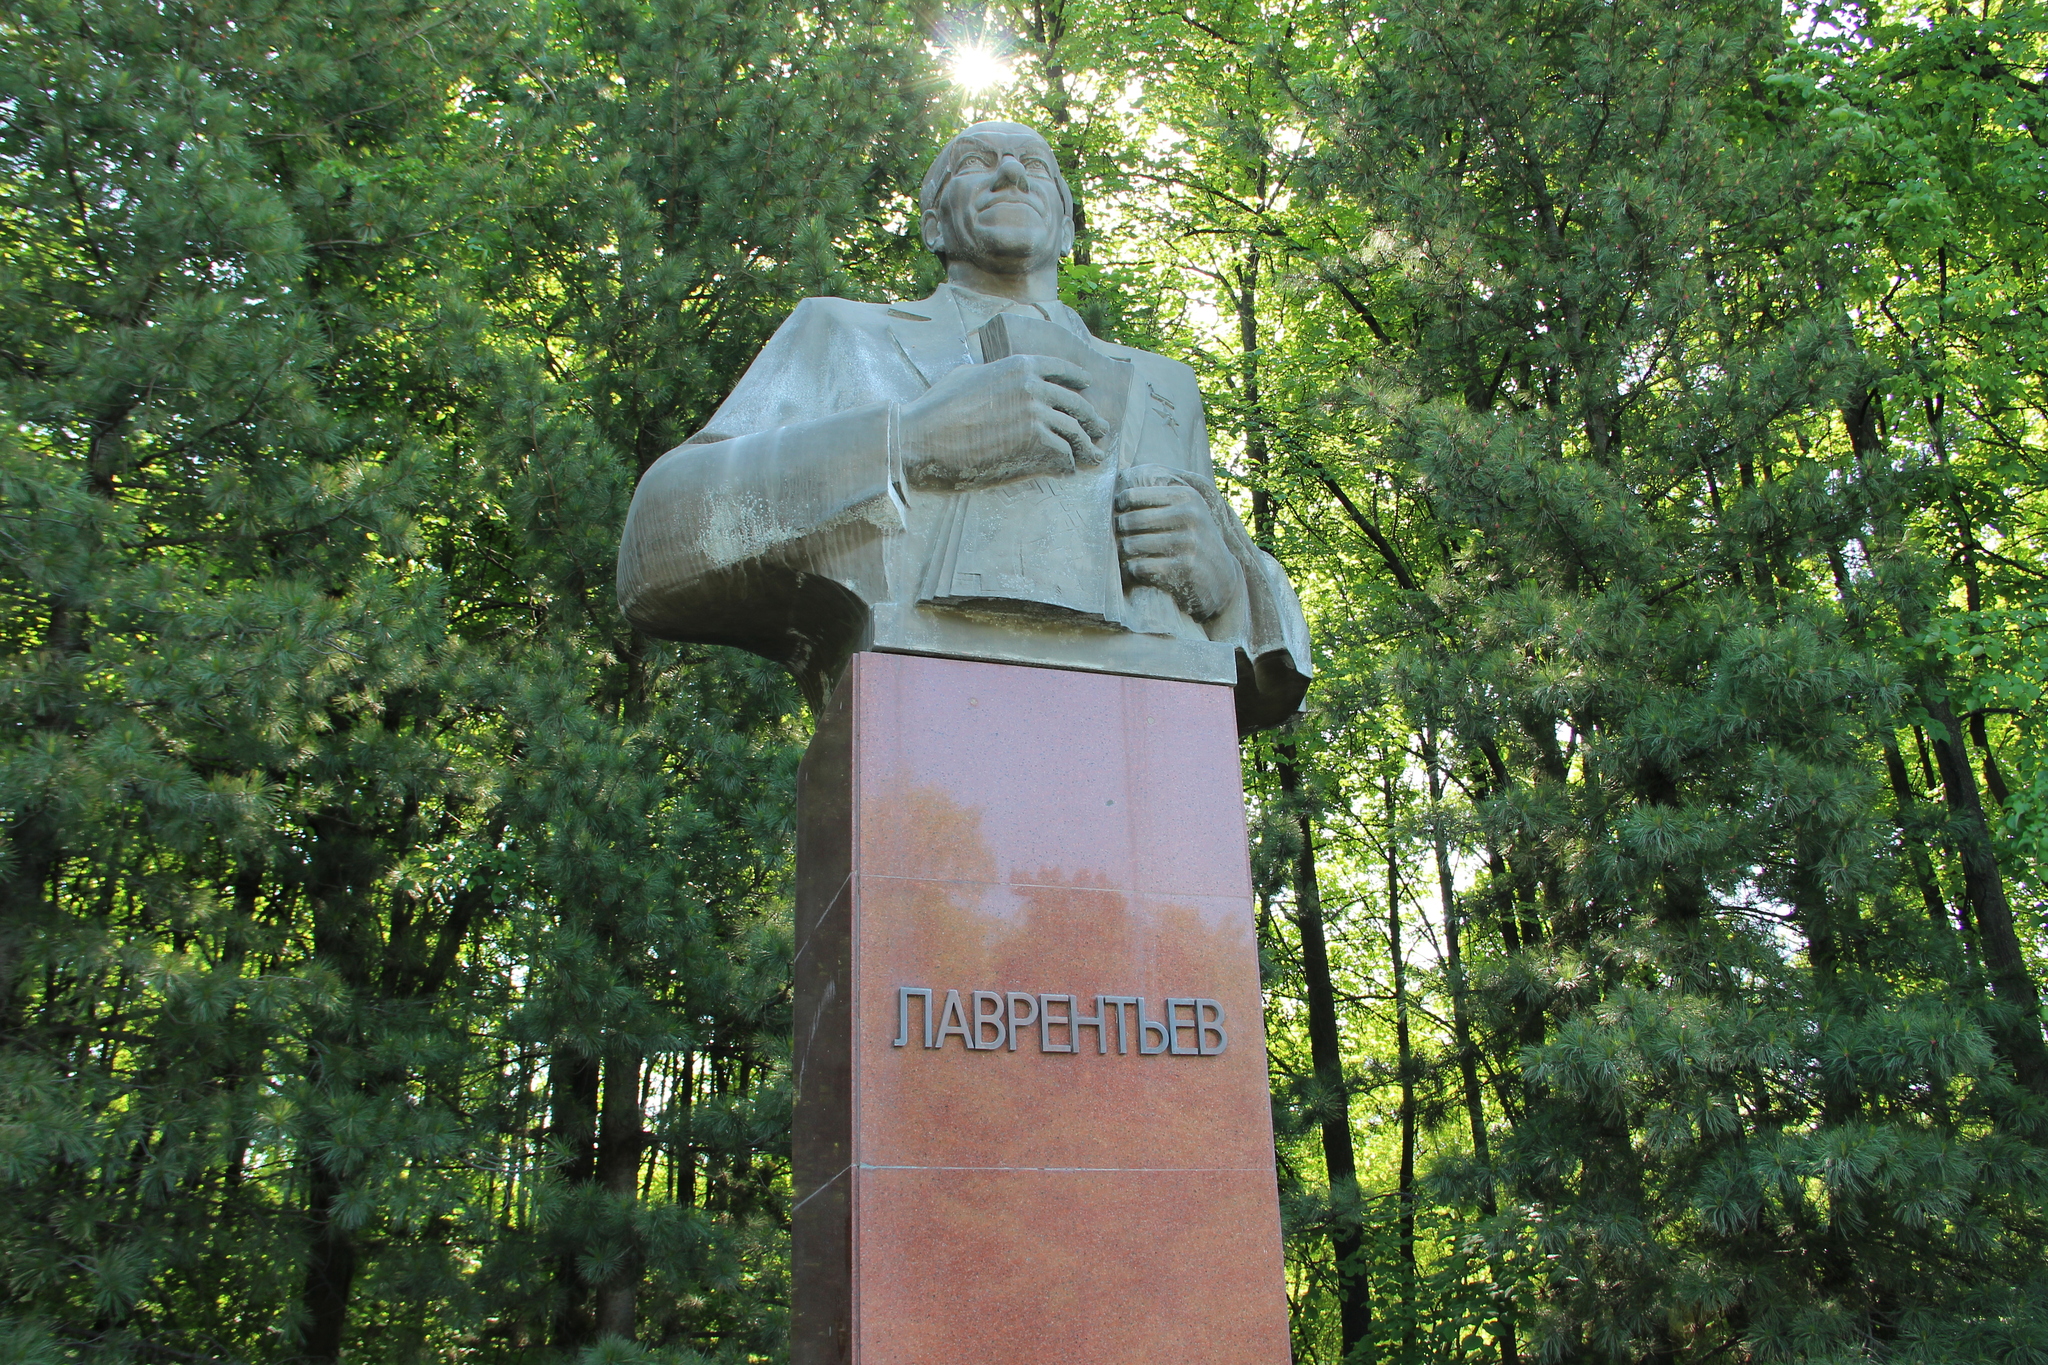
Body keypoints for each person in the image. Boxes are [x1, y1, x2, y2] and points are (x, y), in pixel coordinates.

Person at [615, 121, 1310, 731]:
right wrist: (912, 440)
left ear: (1067, 228)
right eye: (975, 161)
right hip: (915, 726)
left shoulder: (1167, 387)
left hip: (1151, 740)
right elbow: (653, 547)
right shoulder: (840, 336)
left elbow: (1272, 653)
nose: (1010, 171)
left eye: (1037, 166)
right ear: (933, 225)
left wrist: (1223, 585)